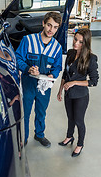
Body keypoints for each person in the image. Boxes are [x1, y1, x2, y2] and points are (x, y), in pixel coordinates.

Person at [16, 12, 62, 147]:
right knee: (25, 111)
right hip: (28, 83)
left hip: (44, 86)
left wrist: (52, 75)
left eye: (55, 27)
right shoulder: (28, 40)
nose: (51, 30)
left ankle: (39, 135)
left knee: (41, 111)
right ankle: (23, 138)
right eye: (49, 25)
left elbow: (57, 66)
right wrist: (28, 68)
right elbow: (18, 58)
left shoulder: (57, 47)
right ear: (43, 23)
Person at [57, 28, 99, 157]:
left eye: (80, 42)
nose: (76, 43)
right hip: (68, 93)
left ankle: (80, 144)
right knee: (70, 118)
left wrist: (74, 83)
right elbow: (65, 73)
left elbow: (94, 81)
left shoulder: (91, 58)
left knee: (79, 121)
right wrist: (60, 90)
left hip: (80, 95)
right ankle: (69, 137)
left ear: (85, 43)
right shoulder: (70, 53)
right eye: (75, 39)